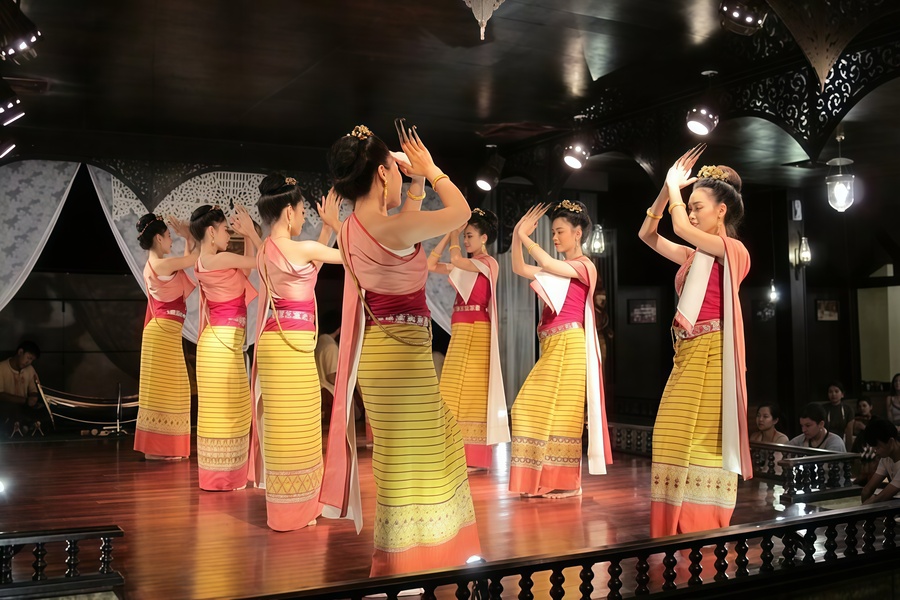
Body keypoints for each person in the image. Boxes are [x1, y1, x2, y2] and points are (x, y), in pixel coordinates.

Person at [320, 123, 480, 577]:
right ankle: (407, 565)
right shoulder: (394, 227)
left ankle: (412, 559)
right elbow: (461, 212)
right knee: (421, 458)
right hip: (404, 359)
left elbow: (403, 235)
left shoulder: (350, 229)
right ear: (381, 174)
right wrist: (431, 172)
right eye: (394, 166)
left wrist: (410, 185)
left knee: (405, 460)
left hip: (380, 355)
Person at [638, 145, 752, 537]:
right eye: (690, 205)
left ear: (722, 210)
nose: (690, 212)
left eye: (698, 206)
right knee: (669, 437)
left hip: (714, 356)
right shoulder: (692, 254)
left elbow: (682, 229)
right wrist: (665, 190)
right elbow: (647, 234)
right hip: (687, 354)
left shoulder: (731, 251)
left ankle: (700, 523)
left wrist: (673, 190)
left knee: (703, 442)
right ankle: (673, 525)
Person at [247, 175, 342, 531]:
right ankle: (298, 510)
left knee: (282, 426)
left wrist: (325, 230)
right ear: (288, 212)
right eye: (302, 212)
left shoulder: (263, 251)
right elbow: (350, 256)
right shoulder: (300, 248)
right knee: (300, 426)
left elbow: (307, 273)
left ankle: (285, 508)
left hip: (275, 342)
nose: (305, 218)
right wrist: (335, 226)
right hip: (293, 346)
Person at [508, 200, 610, 499]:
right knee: (533, 410)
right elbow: (517, 266)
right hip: (553, 345)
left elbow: (550, 265)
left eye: (560, 231)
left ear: (578, 233)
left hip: (569, 345)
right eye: (552, 232)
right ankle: (547, 479)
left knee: (560, 415)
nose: (554, 238)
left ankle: (568, 482)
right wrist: (517, 235)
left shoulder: (584, 266)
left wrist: (526, 237)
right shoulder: (561, 269)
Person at [427, 208, 509, 470]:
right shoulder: (467, 263)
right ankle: (452, 452)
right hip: (461, 329)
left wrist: (453, 238)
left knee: (473, 395)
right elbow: (430, 265)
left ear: (484, 238)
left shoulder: (487, 264)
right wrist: (449, 234)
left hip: (478, 329)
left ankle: (473, 457)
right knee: (450, 391)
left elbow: (458, 261)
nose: (465, 240)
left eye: (469, 235)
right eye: (464, 236)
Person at [191, 204, 260, 491]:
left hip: (220, 343)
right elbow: (261, 262)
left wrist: (247, 236)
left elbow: (249, 262)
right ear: (211, 231)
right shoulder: (215, 259)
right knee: (227, 413)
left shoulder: (208, 259)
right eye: (224, 229)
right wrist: (253, 235)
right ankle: (222, 478)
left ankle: (224, 477)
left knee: (228, 412)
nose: (227, 235)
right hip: (221, 344)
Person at [133, 213, 198, 460]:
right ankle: (159, 449)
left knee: (173, 390)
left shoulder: (158, 264)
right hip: (162, 334)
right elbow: (193, 259)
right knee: (168, 391)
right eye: (169, 236)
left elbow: (185, 260)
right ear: (159, 238)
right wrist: (190, 236)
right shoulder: (160, 265)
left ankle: (162, 448)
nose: (171, 240)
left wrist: (187, 237)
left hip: (165, 333)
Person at [1, 341, 42, 435]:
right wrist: (25, 400)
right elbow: (1, 394)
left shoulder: (30, 369)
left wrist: (33, 398)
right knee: (10, 409)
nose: (29, 362)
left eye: (32, 360)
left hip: (24, 407)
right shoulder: (1, 368)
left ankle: (25, 425)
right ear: (20, 352)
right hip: (6, 408)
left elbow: (33, 390)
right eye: (28, 358)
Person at [860, 418, 900, 504]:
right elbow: (867, 490)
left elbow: (883, 496)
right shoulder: (885, 458)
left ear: (890, 442)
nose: (875, 451)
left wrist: (865, 507)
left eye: (877, 447)